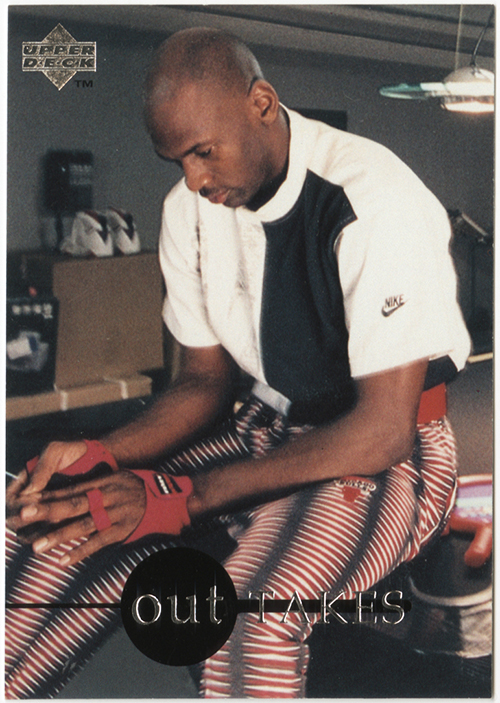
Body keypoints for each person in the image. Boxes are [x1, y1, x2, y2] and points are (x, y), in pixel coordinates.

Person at [6, 27, 470, 698]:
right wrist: (103, 452)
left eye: (203, 151)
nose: (193, 179)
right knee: (39, 524)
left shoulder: (372, 197)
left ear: (261, 103)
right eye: (177, 161)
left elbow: (382, 431)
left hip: (391, 452)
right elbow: (203, 384)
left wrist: (181, 496)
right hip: (261, 428)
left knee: (245, 620)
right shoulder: (188, 210)